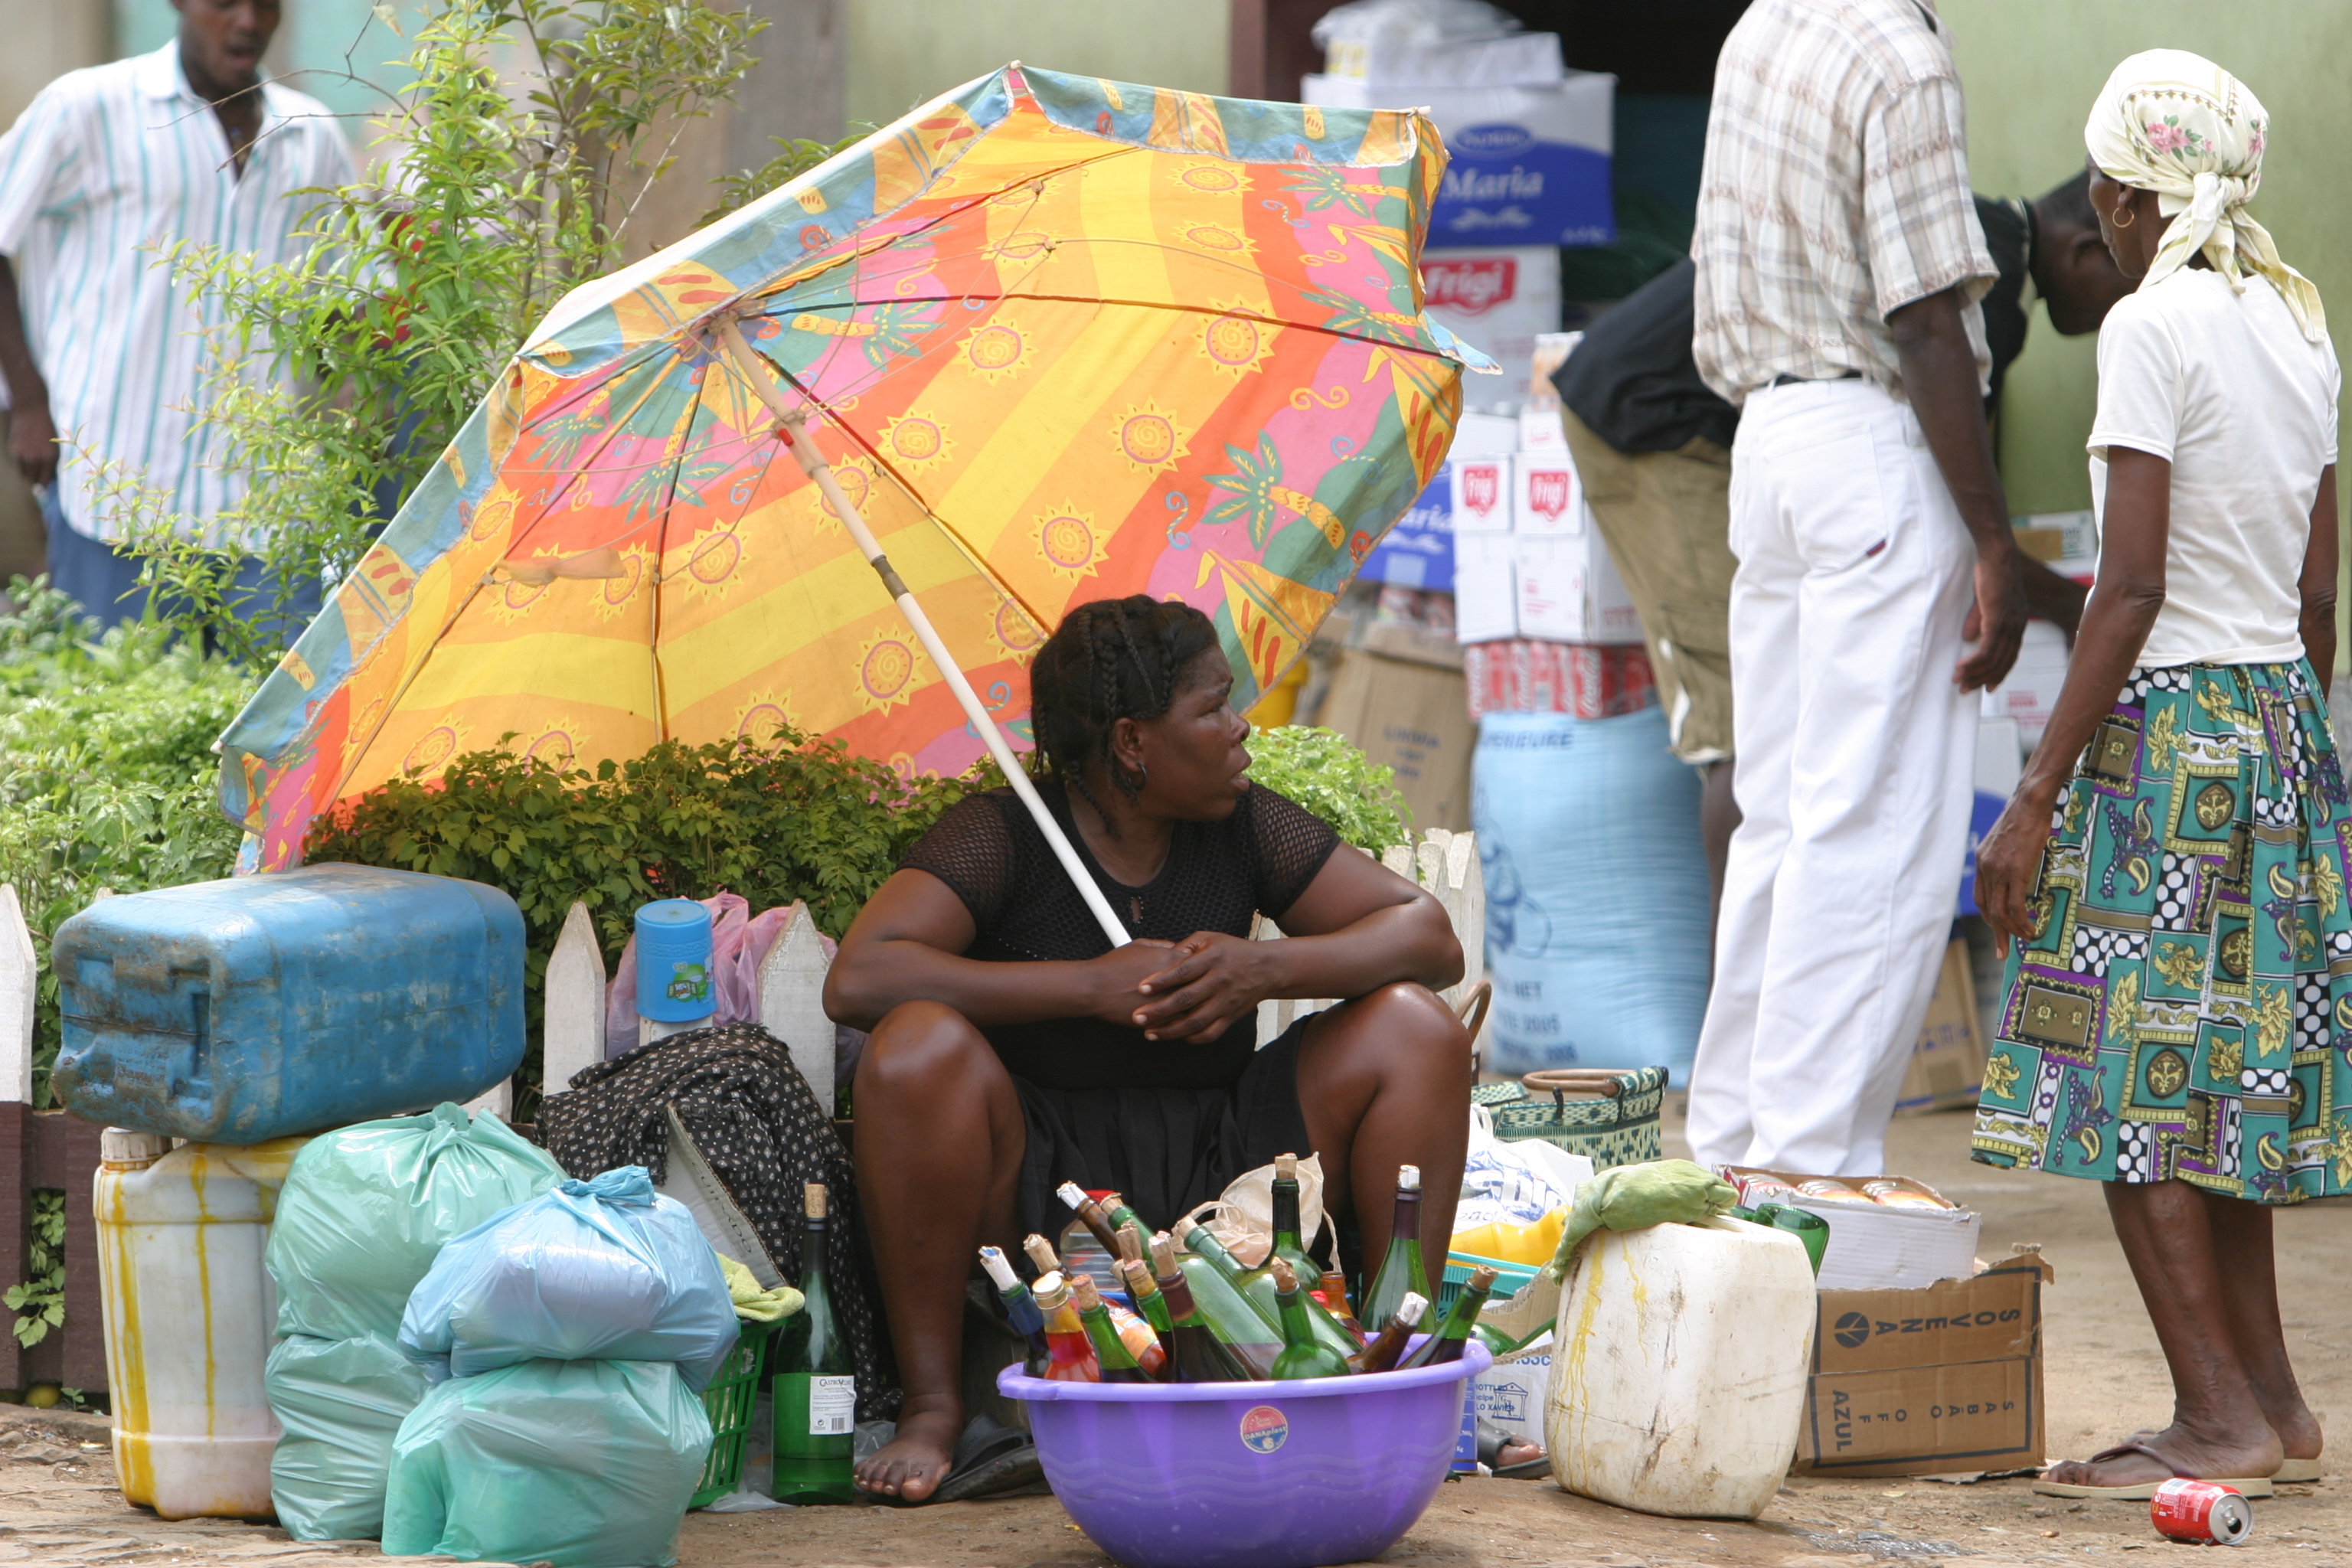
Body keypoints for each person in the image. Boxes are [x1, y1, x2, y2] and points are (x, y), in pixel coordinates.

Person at [825, 596, 1474, 1502]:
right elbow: (859, 978)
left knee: (1416, 1028)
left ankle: (1388, 1353)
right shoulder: (1005, 831)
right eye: (1211, 708)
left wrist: (1259, 969)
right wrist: (1087, 983)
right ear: (1132, 742)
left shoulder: (1243, 823)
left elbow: (1428, 936)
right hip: (1043, 1179)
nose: (1240, 724)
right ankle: (935, 1404)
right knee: (913, 1048)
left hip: (1229, 1161)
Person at [1974, 51, 2341, 1498]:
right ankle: (2273, 1405)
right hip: (2278, 724)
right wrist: (2290, 754)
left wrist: (2037, 790)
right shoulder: (2297, 325)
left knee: (2116, 1081)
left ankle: (2212, 1417)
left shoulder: (2151, 324)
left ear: (2125, 195)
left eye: (2108, 196)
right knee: (2224, 1086)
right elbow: (2317, 593)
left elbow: (2124, 589)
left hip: (2171, 737)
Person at [1557, 178, 2131, 930]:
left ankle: (1774, 972)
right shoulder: (1980, 289)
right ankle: (1738, 1004)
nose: (2116, 316)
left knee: (1785, 711)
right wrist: (2063, 600)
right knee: (1743, 728)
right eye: (2128, 281)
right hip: (1653, 421)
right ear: (2087, 248)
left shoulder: (1973, 240)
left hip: (1731, 426)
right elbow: (1949, 501)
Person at [1684, 0, 2030, 1177]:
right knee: (1873, 828)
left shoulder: (1766, 27)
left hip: (1771, 444)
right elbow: (1928, 319)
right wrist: (1993, 538)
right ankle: (1808, 1165)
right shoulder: (1898, 58)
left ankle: (1735, 1146)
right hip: (1871, 447)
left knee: (1786, 816)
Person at [0, 0, 351, 625]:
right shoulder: (90, 108)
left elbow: (347, 295)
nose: (246, 21)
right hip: (114, 484)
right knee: (117, 705)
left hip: (266, 508)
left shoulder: (314, 133)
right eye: (224, 3)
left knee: (268, 712)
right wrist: (26, 402)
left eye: (264, 5)